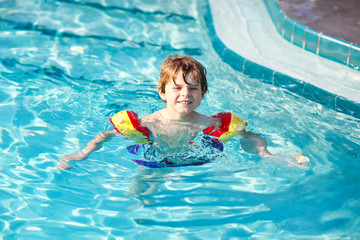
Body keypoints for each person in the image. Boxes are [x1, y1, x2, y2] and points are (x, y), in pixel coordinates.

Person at [56, 55, 308, 170]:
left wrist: (265, 153)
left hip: (198, 161)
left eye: (193, 88)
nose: (185, 94)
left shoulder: (210, 122)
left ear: (203, 93)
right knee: (140, 193)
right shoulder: (149, 122)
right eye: (176, 88)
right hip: (154, 161)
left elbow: (249, 135)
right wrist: (82, 153)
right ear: (162, 92)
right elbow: (105, 135)